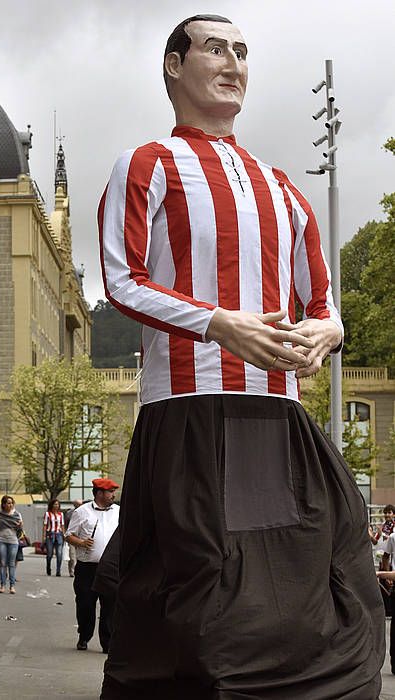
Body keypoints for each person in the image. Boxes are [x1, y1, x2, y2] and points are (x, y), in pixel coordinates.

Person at [98, 14, 384, 699]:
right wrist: (216, 323)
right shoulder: (147, 164)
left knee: (326, 576)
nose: (232, 63)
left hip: (274, 418)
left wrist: (326, 334)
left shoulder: (283, 187)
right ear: (174, 65)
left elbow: (323, 303)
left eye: (241, 52)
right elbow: (120, 279)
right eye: (214, 49)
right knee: (202, 593)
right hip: (187, 413)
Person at [65, 478, 119, 653]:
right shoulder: (82, 512)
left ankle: (108, 642)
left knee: (110, 606)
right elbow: (69, 535)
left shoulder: (119, 511)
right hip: (87, 567)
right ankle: (84, 636)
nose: (113, 495)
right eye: (111, 492)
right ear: (100, 493)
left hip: (111, 568)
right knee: (85, 603)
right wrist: (81, 542)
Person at [0, 495, 23, 594]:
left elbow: (20, 531)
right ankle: (2, 585)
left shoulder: (17, 514)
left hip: (13, 540)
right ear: (3, 504)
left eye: (12, 503)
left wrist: (19, 526)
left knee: (11, 563)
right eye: (8, 503)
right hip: (1, 540)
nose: (10, 505)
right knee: (3, 563)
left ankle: (12, 586)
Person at [42, 498, 65, 577]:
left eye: (58, 504)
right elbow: (45, 526)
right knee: (49, 554)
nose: (56, 505)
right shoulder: (47, 514)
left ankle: (58, 571)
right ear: (51, 505)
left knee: (59, 553)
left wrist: (64, 535)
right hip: (50, 534)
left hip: (59, 535)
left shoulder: (61, 514)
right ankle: (48, 567)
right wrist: (44, 537)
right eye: (55, 504)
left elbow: (62, 526)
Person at [64, 499, 83, 577]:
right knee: (72, 556)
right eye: (78, 504)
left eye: (80, 504)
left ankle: (77, 571)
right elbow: (65, 525)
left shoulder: (84, 513)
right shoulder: (69, 513)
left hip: (81, 537)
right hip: (71, 537)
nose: (79, 506)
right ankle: (71, 571)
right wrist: (65, 535)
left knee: (80, 556)